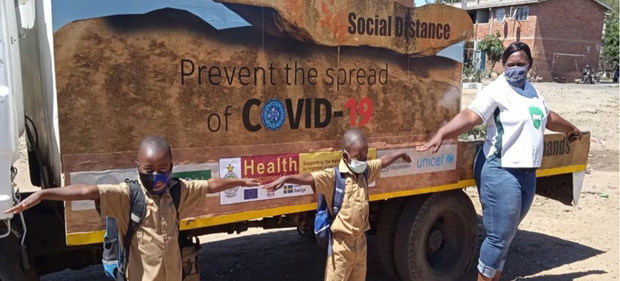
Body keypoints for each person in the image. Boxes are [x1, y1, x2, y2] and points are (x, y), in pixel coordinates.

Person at [418, 41, 582, 281]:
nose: (516, 69)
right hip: (501, 171)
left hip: (527, 174)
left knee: (507, 234)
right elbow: (472, 115)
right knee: (498, 236)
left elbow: (547, 117)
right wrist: (444, 132)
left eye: (521, 64)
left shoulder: (533, 91)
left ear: (529, 65)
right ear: (503, 65)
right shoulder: (497, 90)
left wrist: (570, 128)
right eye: (511, 64)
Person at [4, 136, 260, 281]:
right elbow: (85, 191)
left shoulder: (176, 190)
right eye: (149, 170)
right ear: (137, 166)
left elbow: (211, 185)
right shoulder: (127, 195)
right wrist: (44, 193)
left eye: (162, 170)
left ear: (171, 168)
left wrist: (239, 181)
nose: (156, 176)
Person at [263, 128, 411, 281]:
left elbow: (382, 162)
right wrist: (286, 178)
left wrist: (399, 154)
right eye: (358, 156)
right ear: (345, 156)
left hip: (360, 243)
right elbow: (309, 177)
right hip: (341, 246)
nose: (362, 159)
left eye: (365, 155)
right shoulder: (333, 177)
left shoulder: (365, 172)